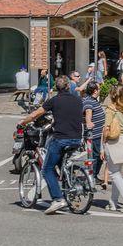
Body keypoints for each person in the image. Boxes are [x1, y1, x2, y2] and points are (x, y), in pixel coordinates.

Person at [17, 76, 84, 215]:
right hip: (77, 139)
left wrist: (23, 122)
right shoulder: (78, 100)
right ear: (68, 87)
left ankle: (58, 198)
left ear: (56, 89)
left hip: (61, 139)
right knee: (60, 164)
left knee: (47, 169)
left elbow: (36, 113)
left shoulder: (54, 100)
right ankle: (68, 189)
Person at [82, 82, 107, 189]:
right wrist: (88, 122)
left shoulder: (92, 100)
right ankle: (92, 176)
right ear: (95, 91)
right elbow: (88, 112)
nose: (100, 89)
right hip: (94, 134)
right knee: (96, 156)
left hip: (98, 134)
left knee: (99, 156)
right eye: (99, 88)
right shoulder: (88, 101)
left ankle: (94, 175)